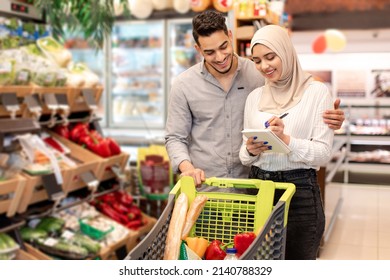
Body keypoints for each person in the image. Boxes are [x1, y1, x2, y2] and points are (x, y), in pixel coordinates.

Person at [165, 9, 344, 186]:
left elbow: (296, 87)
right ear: (198, 49)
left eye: (224, 46)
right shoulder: (183, 85)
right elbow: (175, 137)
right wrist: (186, 168)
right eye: (210, 52)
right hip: (205, 185)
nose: (220, 57)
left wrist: (328, 116)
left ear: (230, 35)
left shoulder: (259, 74)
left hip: (251, 186)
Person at [239, 24, 334, 260]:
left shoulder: (317, 93)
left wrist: (286, 140)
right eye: (257, 60)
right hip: (258, 187)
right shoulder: (254, 98)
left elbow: (323, 154)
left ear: (286, 52)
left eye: (270, 57)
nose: (264, 66)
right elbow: (243, 155)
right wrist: (250, 150)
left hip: (299, 192)